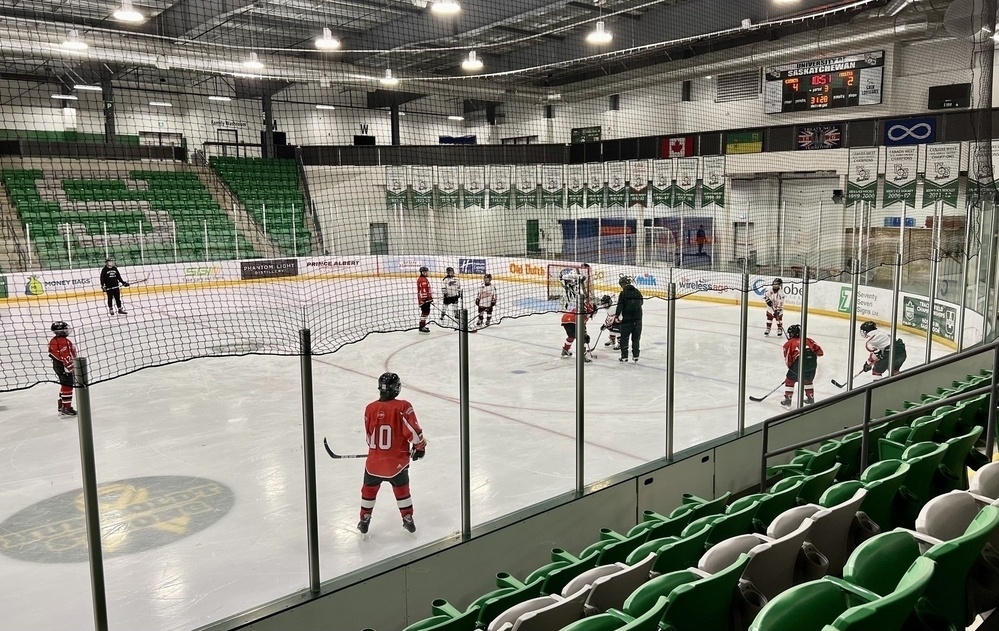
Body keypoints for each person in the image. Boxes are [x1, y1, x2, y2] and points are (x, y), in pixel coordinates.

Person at [357, 372, 427, 535]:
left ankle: (364, 518)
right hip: (397, 464)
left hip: (374, 463)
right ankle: (407, 518)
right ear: (396, 388)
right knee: (402, 491)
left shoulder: (370, 408)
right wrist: (420, 448)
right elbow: (414, 433)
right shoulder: (402, 406)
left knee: (368, 490)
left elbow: (369, 438)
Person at [781, 324, 823, 407]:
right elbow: (820, 352)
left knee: (789, 380)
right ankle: (810, 398)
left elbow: (788, 359)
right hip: (812, 364)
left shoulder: (788, 344)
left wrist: (792, 370)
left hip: (799, 363)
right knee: (807, 380)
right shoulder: (809, 340)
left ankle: (788, 400)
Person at [48, 321, 77, 416]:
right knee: (68, 385)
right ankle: (66, 407)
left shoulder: (54, 340)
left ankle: (62, 404)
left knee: (64, 384)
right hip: (63, 366)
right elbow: (65, 356)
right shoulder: (63, 342)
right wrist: (71, 368)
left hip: (58, 366)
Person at [616, 275, 644, 363]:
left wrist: (617, 315)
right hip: (638, 320)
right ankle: (636, 356)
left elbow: (620, 306)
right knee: (636, 339)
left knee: (624, 338)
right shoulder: (637, 292)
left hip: (627, 320)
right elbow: (641, 302)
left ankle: (624, 357)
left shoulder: (623, 293)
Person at [417, 266, 432, 333]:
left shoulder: (424, 279)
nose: (426, 273)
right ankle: (421, 326)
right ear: (422, 272)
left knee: (426, 312)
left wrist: (430, 298)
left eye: (427, 271)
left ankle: (422, 325)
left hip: (425, 299)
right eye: (425, 272)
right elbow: (423, 291)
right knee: (425, 312)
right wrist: (426, 299)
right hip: (424, 300)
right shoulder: (422, 280)